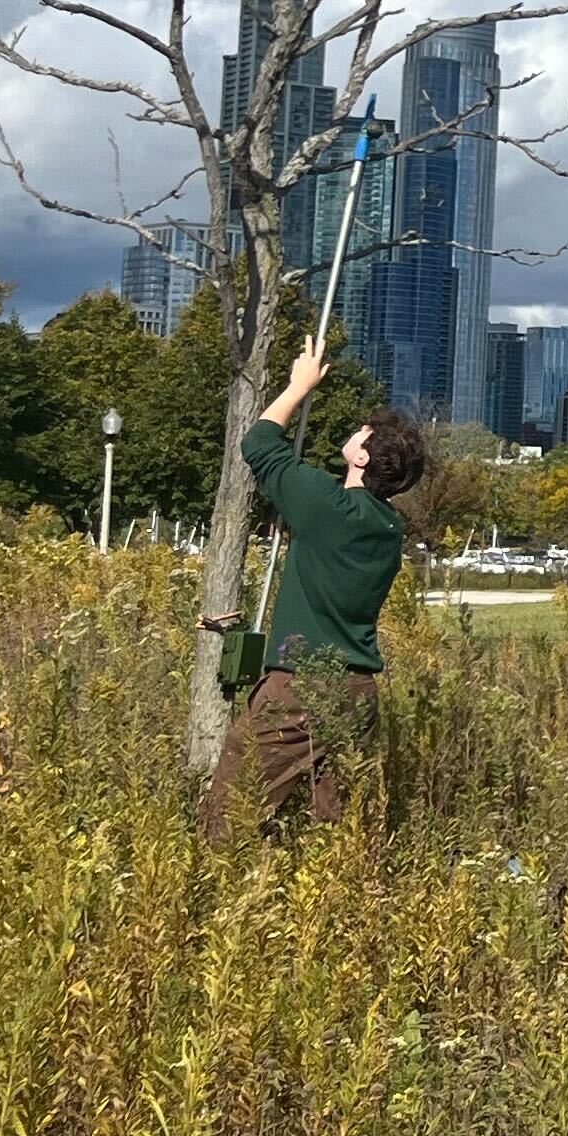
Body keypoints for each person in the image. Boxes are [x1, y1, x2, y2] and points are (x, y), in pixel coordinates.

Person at [196, 344, 423, 836]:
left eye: (362, 432)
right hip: (357, 691)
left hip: (302, 685)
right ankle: (352, 886)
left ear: (361, 456)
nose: (355, 431)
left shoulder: (330, 508)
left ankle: (216, 878)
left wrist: (299, 387)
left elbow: (259, 442)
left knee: (237, 802)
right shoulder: (389, 528)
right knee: (342, 827)